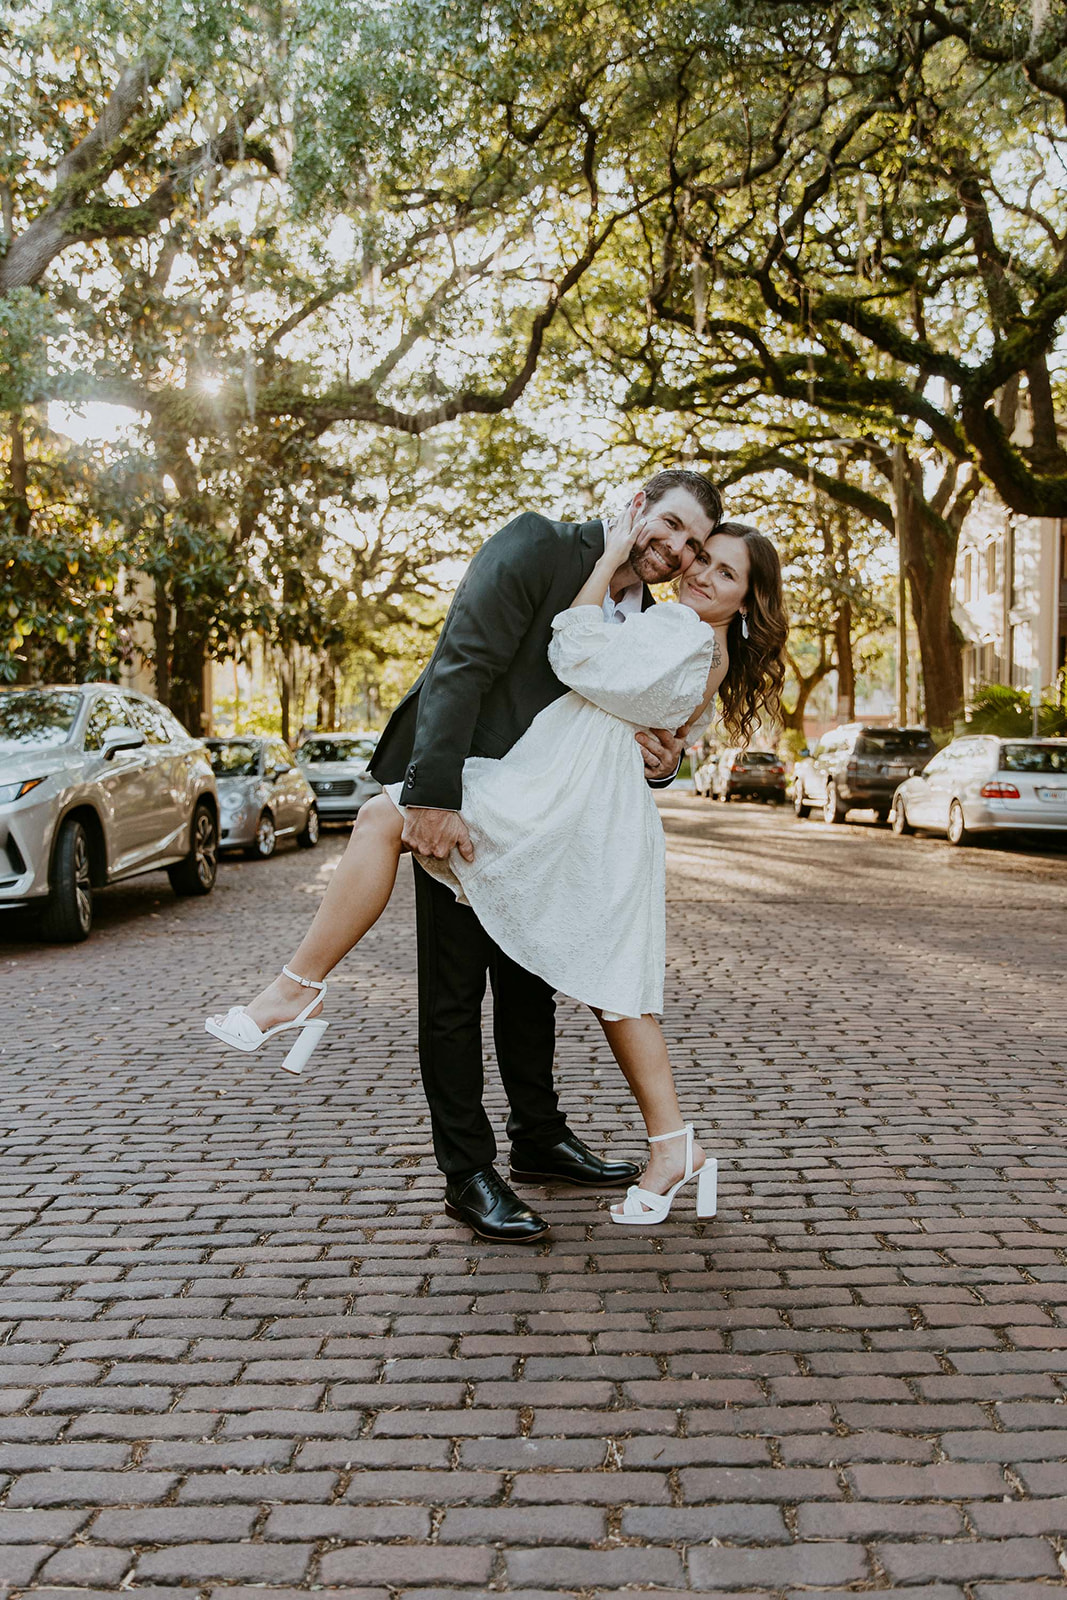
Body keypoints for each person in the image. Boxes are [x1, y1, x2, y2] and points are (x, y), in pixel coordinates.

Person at [206, 500, 788, 1238]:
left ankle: (548, 1136)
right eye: (680, 538)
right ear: (637, 506)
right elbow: (464, 660)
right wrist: (435, 794)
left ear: (743, 596)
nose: (685, 558)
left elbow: (614, 693)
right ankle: (470, 1169)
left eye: (706, 555)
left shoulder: (671, 623)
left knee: (548, 991)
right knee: (463, 983)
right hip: (488, 786)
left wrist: (667, 759)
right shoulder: (545, 547)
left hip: (557, 806)